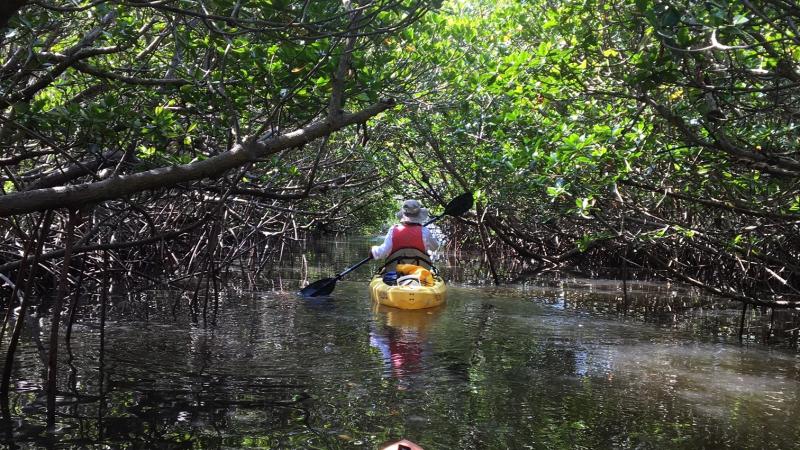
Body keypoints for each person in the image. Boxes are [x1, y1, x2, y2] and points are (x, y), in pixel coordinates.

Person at [371, 199, 439, 272]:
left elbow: (382, 252)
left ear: (403, 215)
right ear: (419, 215)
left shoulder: (393, 230)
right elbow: (435, 247)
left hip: (395, 272)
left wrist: (373, 251)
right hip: (420, 272)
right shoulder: (425, 231)